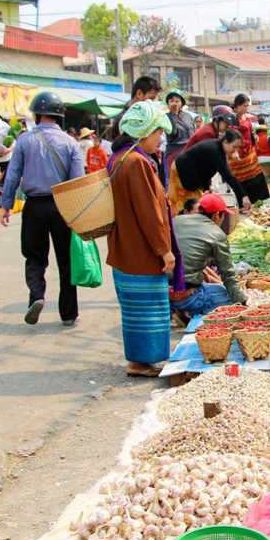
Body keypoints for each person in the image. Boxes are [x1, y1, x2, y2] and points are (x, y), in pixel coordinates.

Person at [105, 100, 183, 378]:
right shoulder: (137, 162)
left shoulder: (118, 158)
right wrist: (165, 250)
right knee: (148, 310)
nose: (160, 139)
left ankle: (139, 361)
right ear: (144, 131)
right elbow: (150, 213)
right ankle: (140, 362)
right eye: (157, 133)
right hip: (141, 251)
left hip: (125, 248)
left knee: (134, 310)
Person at [0, 92, 84, 326]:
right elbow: (78, 181)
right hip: (62, 206)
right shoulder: (70, 142)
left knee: (34, 257)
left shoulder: (25, 140)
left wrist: (6, 205)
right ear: (60, 115)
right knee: (67, 261)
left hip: (34, 205)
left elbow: (13, 174)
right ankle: (68, 314)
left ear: (36, 114)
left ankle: (36, 297)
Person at [172, 193, 247, 318]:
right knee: (226, 295)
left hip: (161, 290)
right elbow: (228, 275)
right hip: (185, 296)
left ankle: (181, 312)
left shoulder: (177, 219)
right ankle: (197, 315)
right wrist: (242, 303)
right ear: (217, 215)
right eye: (223, 215)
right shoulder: (216, 234)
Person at [169, 130, 248, 215]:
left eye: (238, 147)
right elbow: (228, 176)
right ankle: (176, 224)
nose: (236, 150)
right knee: (181, 205)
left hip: (192, 176)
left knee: (195, 205)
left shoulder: (219, 148)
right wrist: (243, 196)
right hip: (181, 172)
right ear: (225, 142)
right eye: (234, 147)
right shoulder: (215, 150)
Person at [227, 94, 270, 204]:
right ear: (237, 106)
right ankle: (244, 204)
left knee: (256, 177)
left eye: (247, 106)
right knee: (242, 179)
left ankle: (257, 202)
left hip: (250, 151)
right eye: (244, 106)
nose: (246, 108)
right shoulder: (233, 117)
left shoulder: (245, 116)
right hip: (239, 153)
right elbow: (231, 134)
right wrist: (235, 151)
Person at [164, 89, 194, 167]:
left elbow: (193, 133)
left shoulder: (188, 116)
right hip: (174, 152)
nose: (174, 103)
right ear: (168, 104)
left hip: (189, 151)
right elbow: (173, 133)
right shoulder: (165, 117)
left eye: (177, 101)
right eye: (171, 101)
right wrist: (174, 113)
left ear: (181, 104)